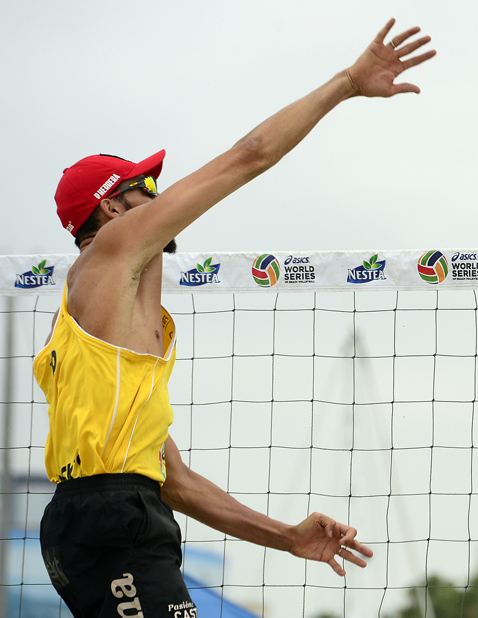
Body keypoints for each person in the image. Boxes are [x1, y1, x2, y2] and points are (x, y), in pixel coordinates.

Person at [33, 19, 435, 618]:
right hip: (113, 521)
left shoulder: (99, 343)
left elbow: (175, 482)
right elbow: (251, 156)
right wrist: (348, 83)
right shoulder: (111, 252)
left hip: (104, 518)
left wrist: (287, 537)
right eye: (148, 187)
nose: (161, 198)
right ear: (112, 208)